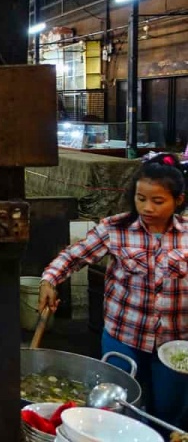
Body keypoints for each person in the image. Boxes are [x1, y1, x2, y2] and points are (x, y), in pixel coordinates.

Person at [39, 154, 188, 426]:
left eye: (158, 201)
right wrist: (49, 281)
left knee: (170, 412)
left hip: (174, 343)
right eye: (141, 199)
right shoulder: (115, 229)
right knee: (119, 407)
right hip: (124, 337)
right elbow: (72, 257)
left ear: (178, 200)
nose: (147, 208)